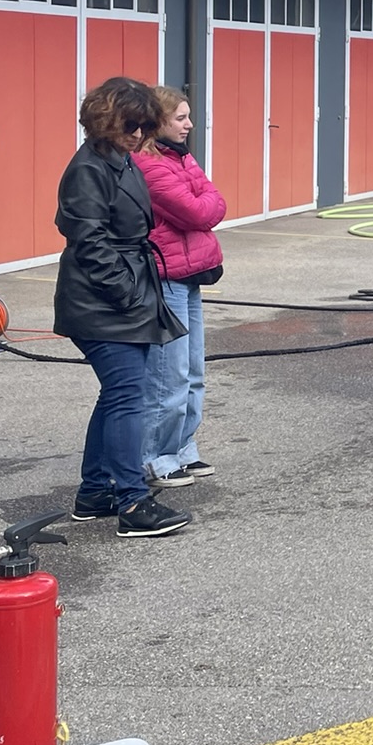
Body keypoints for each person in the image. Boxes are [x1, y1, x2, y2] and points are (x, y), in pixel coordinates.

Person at [56, 76, 190, 538]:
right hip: (102, 300)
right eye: (130, 126)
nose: (138, 135)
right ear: (106, 121)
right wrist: (128, 293)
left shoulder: (120, 160)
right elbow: (86, 240)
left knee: (117, 395)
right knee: (128, 395)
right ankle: (132, 500)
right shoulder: (89, 168)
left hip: (122, 293)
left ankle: (95, 493)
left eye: (144, 127)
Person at [135, 85, 225, 489]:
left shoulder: (181, 158)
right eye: (181, 118)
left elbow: (216, 202)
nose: (189, 125)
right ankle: (155, 457)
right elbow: (197, 211)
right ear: (158, 123)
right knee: (168, 376)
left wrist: (203, 201)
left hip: (190, 276)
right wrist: (202, 201)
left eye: (189, 116)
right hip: (166, 278)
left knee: (193, 372)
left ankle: (183, 449)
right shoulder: (150, 166)